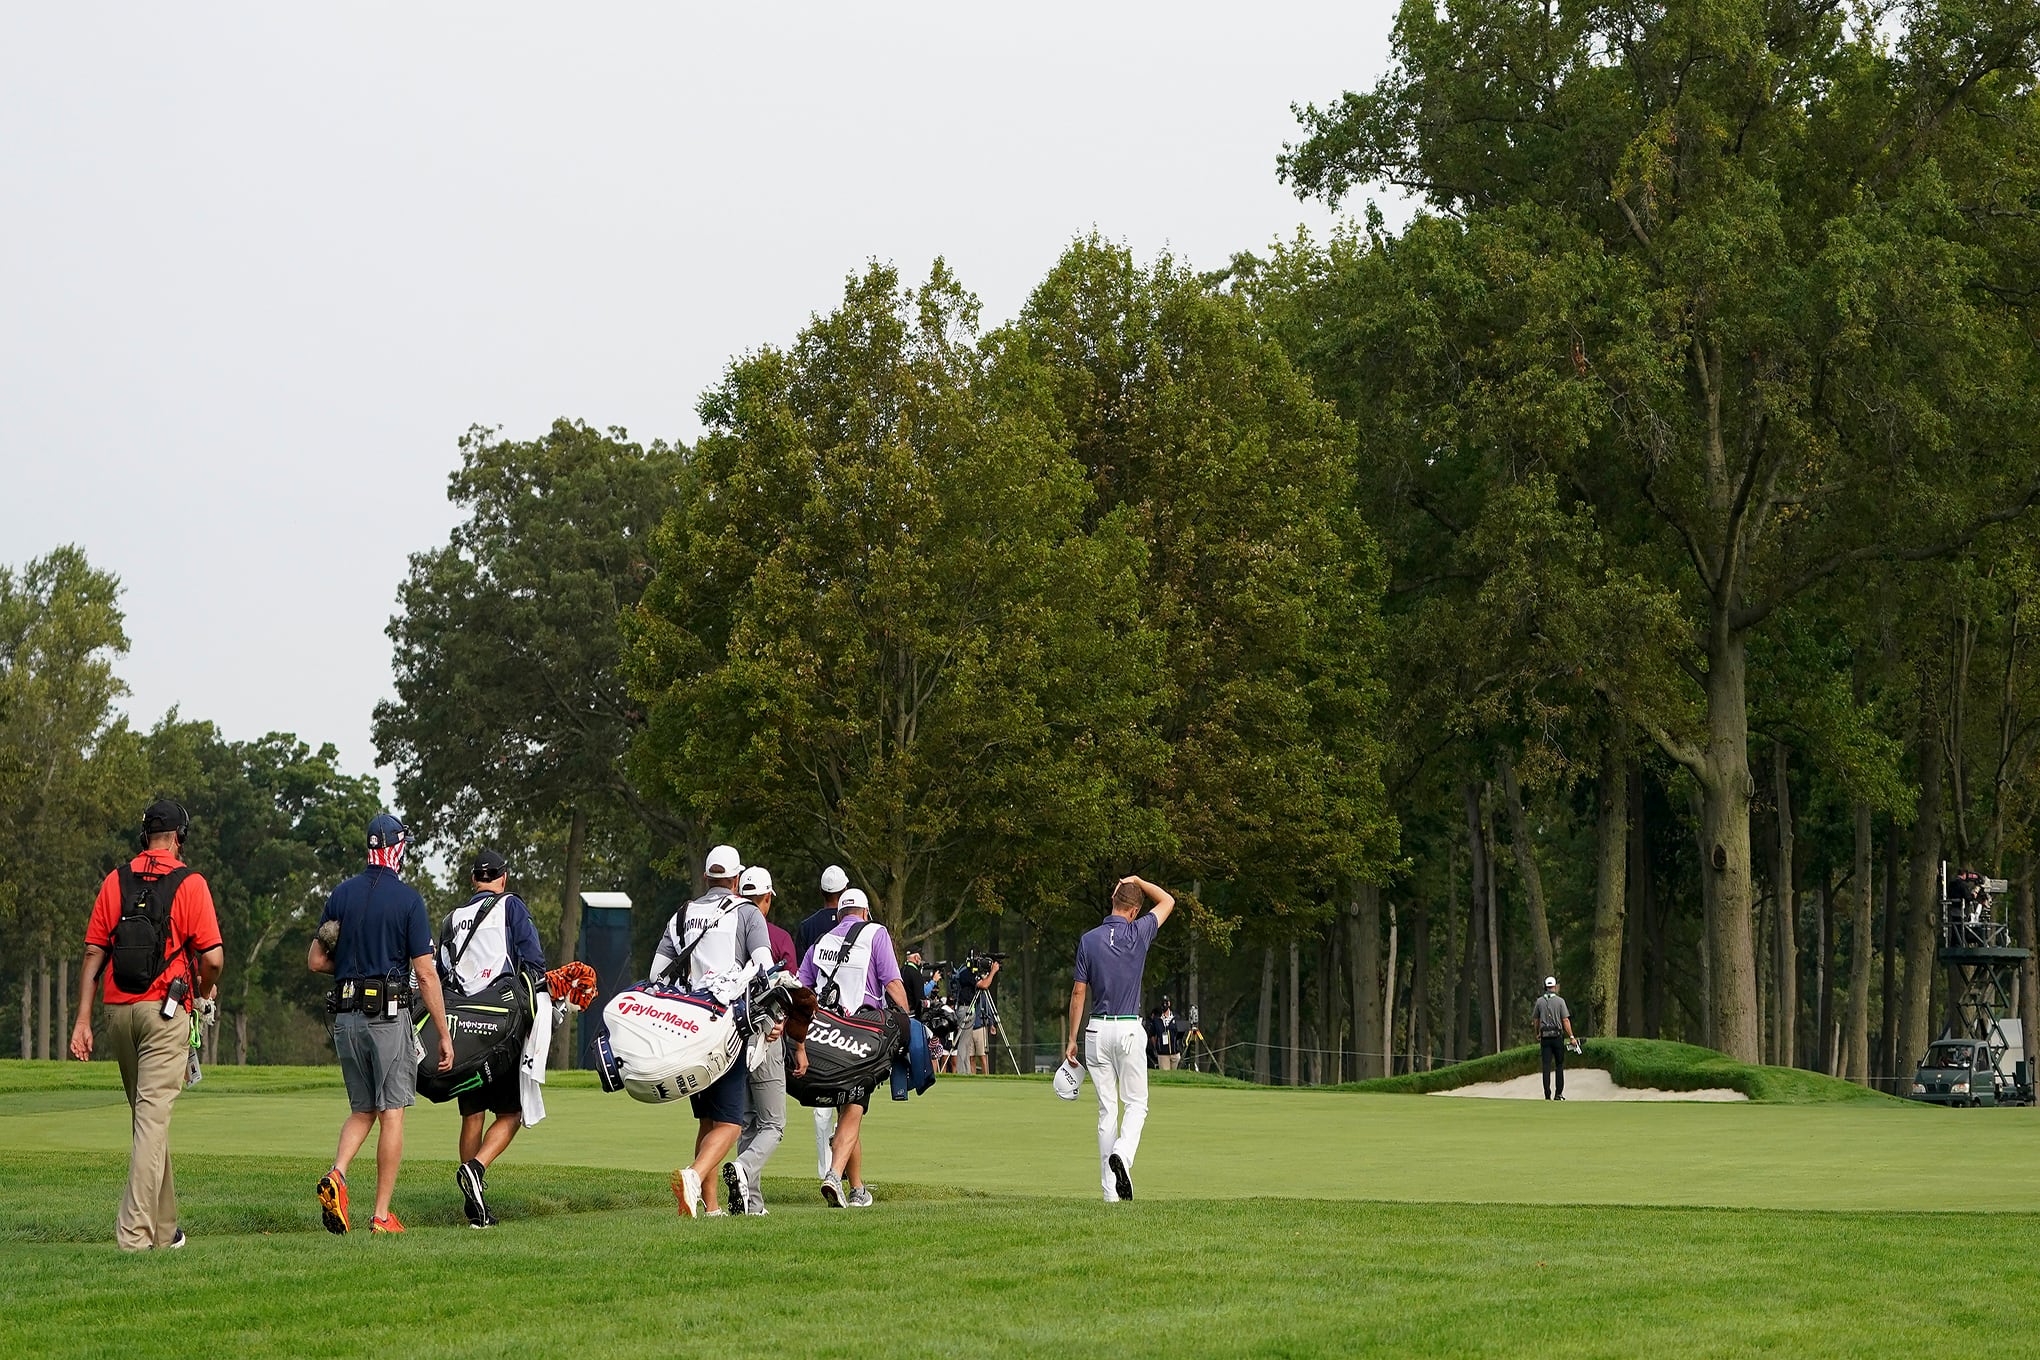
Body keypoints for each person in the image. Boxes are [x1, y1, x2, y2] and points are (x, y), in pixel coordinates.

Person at [69, 799, 225, 1251]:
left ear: (146, 836)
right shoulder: (190, 883)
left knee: (147, 1119)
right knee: (151, 1121)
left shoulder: (115, 880)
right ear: (180, 837)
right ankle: (134, 1238)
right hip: (166, 1011)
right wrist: (202, 988)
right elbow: (213, 958)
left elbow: (93, 953)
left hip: (118, 1012)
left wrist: (82, 1019)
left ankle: (164, 1229)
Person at [308, 813, 454, 1236]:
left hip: (345, 1018)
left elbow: (316, 960)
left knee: (362, 1108)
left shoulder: (341, 894)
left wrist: (352, 968)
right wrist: (443, 1035)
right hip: (387, 1018)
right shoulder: (408, 900)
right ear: (398, 848)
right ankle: (381, 1216)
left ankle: (336, 1176)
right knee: (392, 1112)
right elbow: (425, 975)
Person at [650, 844, 775, 1219]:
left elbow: (658, 974)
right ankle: (693, 1175)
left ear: (707, 877)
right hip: (727, 1028)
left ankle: (712, 1205)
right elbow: (764, 969)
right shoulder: (748, 912)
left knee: (707, 1119)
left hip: (688, 1029)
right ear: (736, 879)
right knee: (732, 1124)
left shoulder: (681, 914)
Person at [439, 846, 546, 1228]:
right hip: (501, 1028)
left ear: (473, 880)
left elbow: (442, 974)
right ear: (502, 878)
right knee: (511, 1113)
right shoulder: (511, 906)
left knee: (472, 1116)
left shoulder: (453, 918)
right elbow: (533, 963)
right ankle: (477, 1170)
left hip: (464, 1028)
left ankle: (473, 1206)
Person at [797, 887, 911, 1207]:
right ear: (864, 913)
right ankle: (834, 1175)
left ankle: (858, 1188)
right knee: (854, 1111)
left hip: (823, 1037)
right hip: (859, 1037)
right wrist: (910, 1021)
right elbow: (891, 982)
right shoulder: (876, 933)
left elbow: (801, 990)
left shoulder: (822, 942)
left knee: (848, 1110)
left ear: (839, 915)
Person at [1064, 875, 1174, 1203]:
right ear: (1134, 911)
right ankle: (1123, 1157)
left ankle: (1110, 1196)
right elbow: (1168, 900)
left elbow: (1079, 991)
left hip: (1096, 1030)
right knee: (1137, 1104)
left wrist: (1071, 1039)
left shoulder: (1088, 939)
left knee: (1106, 1110)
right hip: (1127, 1027)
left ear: (1113, 901)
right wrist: (1140, 879)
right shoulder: (1139, 931)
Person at [725, 863, 796, 1214]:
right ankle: (742, 1169)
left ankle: (750, 1204)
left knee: (748, 1121)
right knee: (773, 1124)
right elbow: (788, 989)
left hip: (731, 1034)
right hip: (765, 1032)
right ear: (767, 898)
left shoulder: (724, 926)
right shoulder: (778, 937)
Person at [797, 864, 849, 1174]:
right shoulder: (856, 926)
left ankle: (824, 1169)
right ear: (844, 892)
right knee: (849, 1098)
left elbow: (803, 980)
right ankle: (840, 1170)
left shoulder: (807, 927)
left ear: (822, 892)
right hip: (849, 1017)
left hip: (816, 1016)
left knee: (821, 1101)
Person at [952, 953, 1002, 1075]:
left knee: (966, 1043)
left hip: (969, 1009)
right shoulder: (966, 973)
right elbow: (984, 985)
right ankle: (962, 1071)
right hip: (965, 1009)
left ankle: (966, 1071)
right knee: (963, 1043)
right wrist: (993, 971)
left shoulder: (967, 972)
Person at [1534, 976, 1576, 1100]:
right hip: (1557, 1036)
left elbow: (1536, 1020)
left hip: (1545, 1037)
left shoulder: (1539, 1001)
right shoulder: (1560, 1001)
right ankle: (1558, 1094)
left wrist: (1537, 1033)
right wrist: (1571, 1036)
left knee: (1546, 1066)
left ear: (1545, 987)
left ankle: (1547, 1094)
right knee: (1559, 1065)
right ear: (1555, 986)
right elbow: (1565, 1020)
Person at [1149, 999, 1187, 1071]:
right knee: (1165, 1074)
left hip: (1175, 1053)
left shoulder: (1176, 1017)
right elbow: (1152, 1035)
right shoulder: (1157, 1020)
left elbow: (1182, 1033)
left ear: (1169, 1004)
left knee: (1176, 1075)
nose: (1164, 1006)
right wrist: (1157, 1047)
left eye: (1165, 1003)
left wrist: (1179, 1045)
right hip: (1163, 1054)